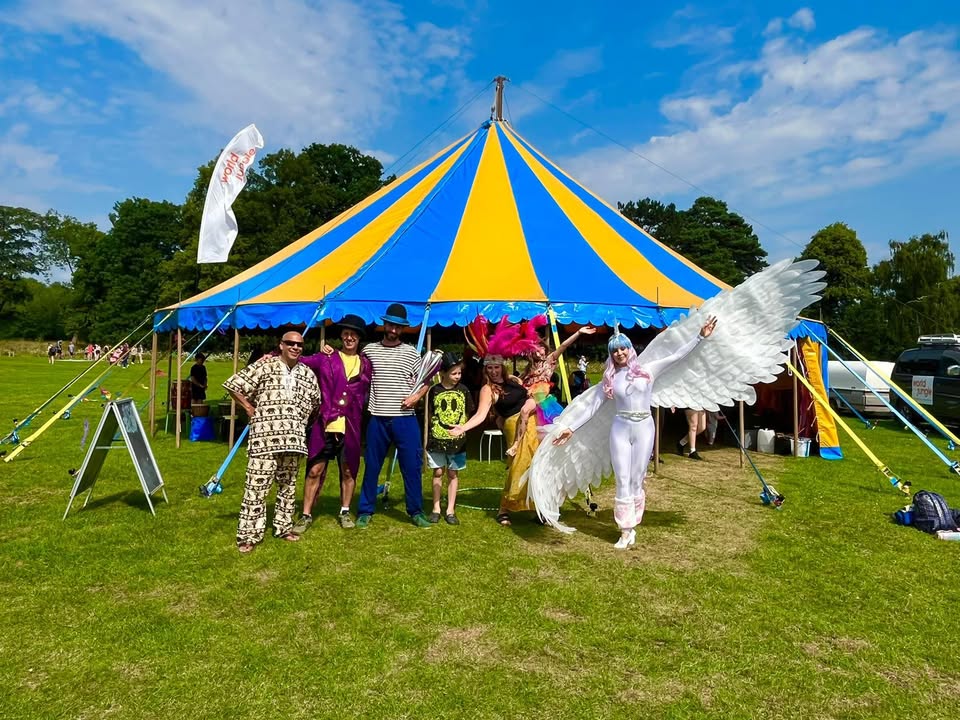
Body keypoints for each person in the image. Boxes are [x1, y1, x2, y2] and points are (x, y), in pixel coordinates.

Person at [550, 318, 717, 549]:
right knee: (622, 478)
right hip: (620, 428)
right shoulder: (609, 380)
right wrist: (571, 427)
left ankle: (635, 512)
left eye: (623, 348)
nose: (619, 353)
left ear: (630, 349)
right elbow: (591, 407)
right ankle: (626, 529)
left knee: (637, 477)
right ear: (611, 354)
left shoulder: (648, 371)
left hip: (644, 427)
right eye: (614, 350)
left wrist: (700, 336)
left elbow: (677, 356)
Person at [223, 331, 321, 553]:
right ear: (281, 345)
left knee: (288, 486)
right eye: (290, 343)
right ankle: (249, 534)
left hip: (293, 441)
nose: (295, 347)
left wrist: (301, 422)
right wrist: (248, 407)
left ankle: (283, 527)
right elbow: (233, 385)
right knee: (256, 487)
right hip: (263, 440)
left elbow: (316, 403)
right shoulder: (264, 366)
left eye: (299, 344)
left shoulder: (307, 373)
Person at [355, 303, 433, 529]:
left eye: (398, 327)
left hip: (405, 417)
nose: (393, 330)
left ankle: (416, 511)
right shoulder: (369, 350)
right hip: (377, 417)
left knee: (411, 467)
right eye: (390, 325)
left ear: (403, 329)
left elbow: (426, 381)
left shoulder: (411, 353)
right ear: (384, 324)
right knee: (372, 466)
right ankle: (365, 510)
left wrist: (416, 398)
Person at [293, 315, 372, 533]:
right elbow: (299, 360)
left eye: (353, 335)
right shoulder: (326, 358)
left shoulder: (365, 364)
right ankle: (306, 514)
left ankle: (345, 510)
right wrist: (273, 355)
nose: (349, 338)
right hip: (325, 426)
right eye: (346, 334)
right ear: (341, 336)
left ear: (359, 338)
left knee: (349, 471)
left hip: (351, 428)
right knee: (315, 470)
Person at [450, 353, 537, 526]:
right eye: (489, 368)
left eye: (496, 367)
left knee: (537, 466)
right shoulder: (487, 389)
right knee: (518, 466)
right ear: (485, 370)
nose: (494, 371)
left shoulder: (513, 381)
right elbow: (480, 415)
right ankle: (504, 508)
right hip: (515, 426)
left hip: (534, 423)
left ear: (502, 367)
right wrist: (463, 427)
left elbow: (528, 394)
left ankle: (538, 508)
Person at [506, 324, 596, 457]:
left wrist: (578, 333)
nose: (539, 351)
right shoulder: (530, 366)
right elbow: (521, 380)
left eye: (541, 348)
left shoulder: (550, 360)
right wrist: (510, 377)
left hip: (541, 394)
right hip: (529, 394)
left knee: (526, 411)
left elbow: (563, 346)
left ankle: (515, 445)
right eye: (535, 349)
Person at [426, 352, 475, 525]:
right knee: (438, 471)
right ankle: (436, 507)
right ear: (443, 373)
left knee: (453, 473)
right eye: (454, 373)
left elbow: (468, 412)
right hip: (436, 440)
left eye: (459, 373)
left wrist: (461, 428)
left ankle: (451, 509)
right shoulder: (434, 391)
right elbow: (430, 413)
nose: (457, 376)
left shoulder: (463, 390)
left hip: (457, 442)